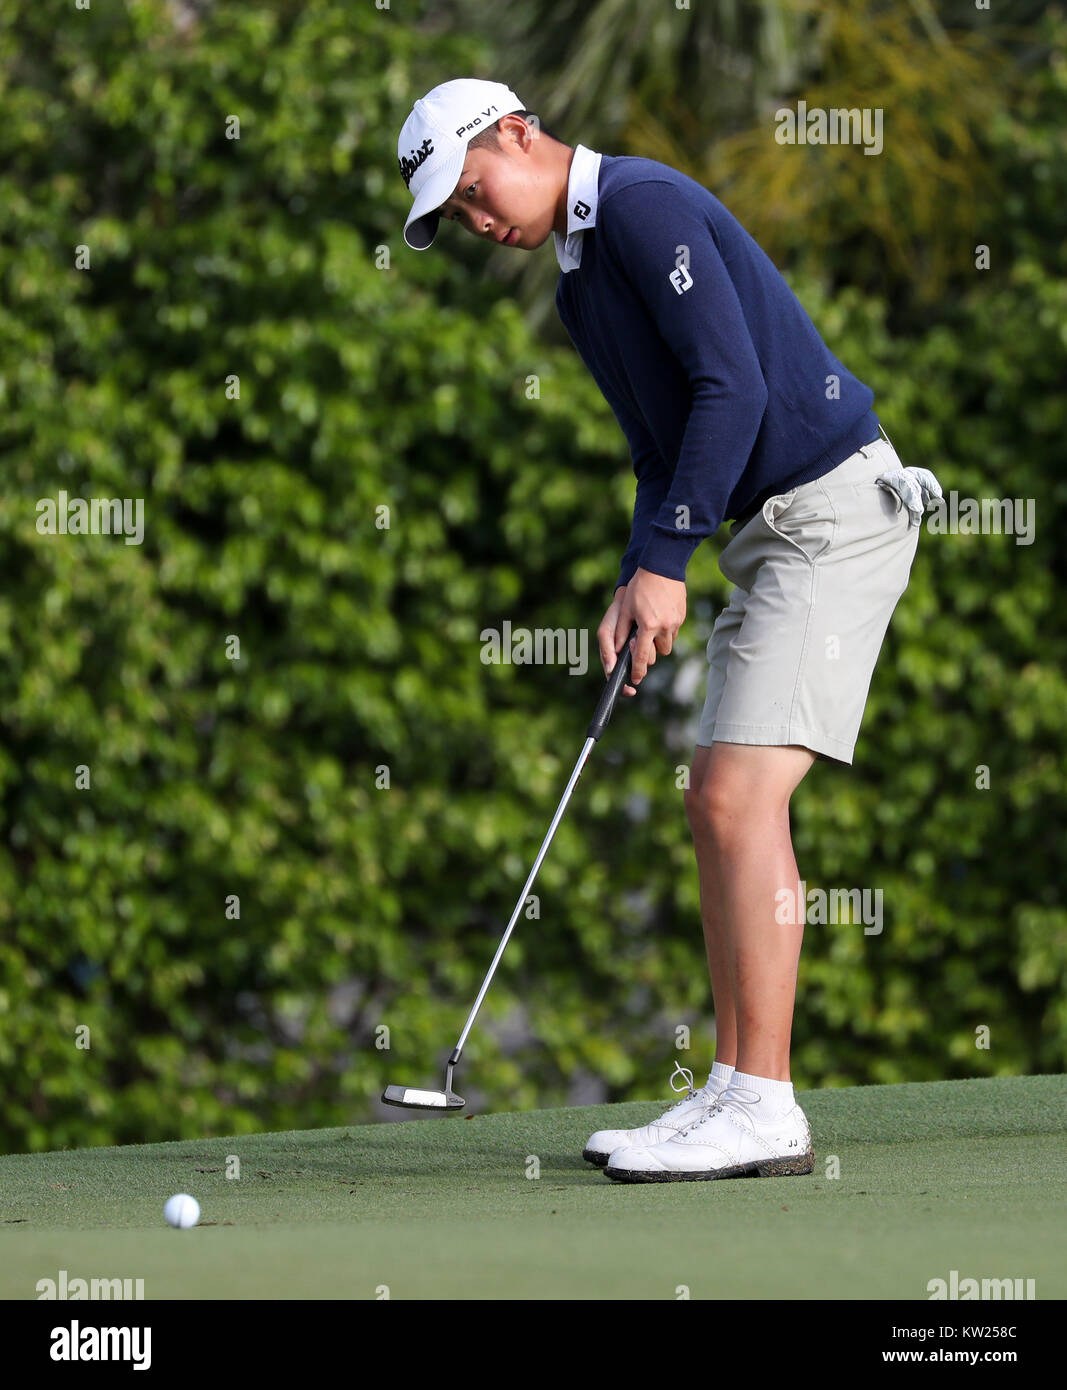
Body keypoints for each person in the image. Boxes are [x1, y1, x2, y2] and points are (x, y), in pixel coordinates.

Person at [397, 78, 941, 1183]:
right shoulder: (579, 284)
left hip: (832, 514)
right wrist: (632, 576)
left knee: (738, 795)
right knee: (712, 796)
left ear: (516, 133)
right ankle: (738, 1090)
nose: (476, 219)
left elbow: (730, 388)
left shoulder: (640, 206)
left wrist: (666, 563)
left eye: (471, 191)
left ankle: (765, 1101)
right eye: (455, 214)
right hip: (772, 533)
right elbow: (662, 449)